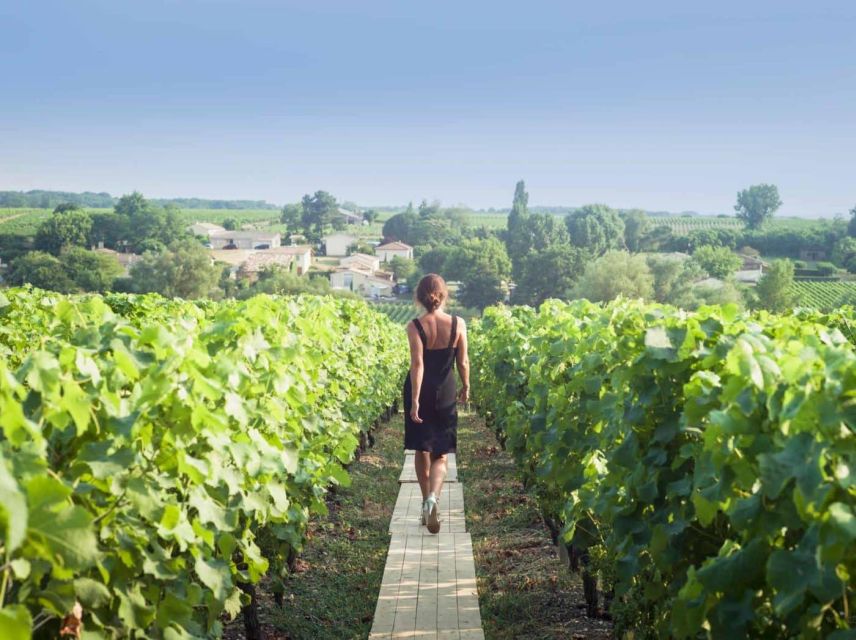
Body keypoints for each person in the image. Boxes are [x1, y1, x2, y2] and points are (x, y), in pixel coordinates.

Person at [403, 273, 469, 534]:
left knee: (422, 449)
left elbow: (417, 365)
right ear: (443, 296)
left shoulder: (415, 326)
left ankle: (424, 502)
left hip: (421, 391)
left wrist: (416, 399)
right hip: (446, 392)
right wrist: (466, 385)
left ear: (419, 297)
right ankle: (433, 498)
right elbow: (463, 362)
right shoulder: (458, 323)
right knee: (441, 453)